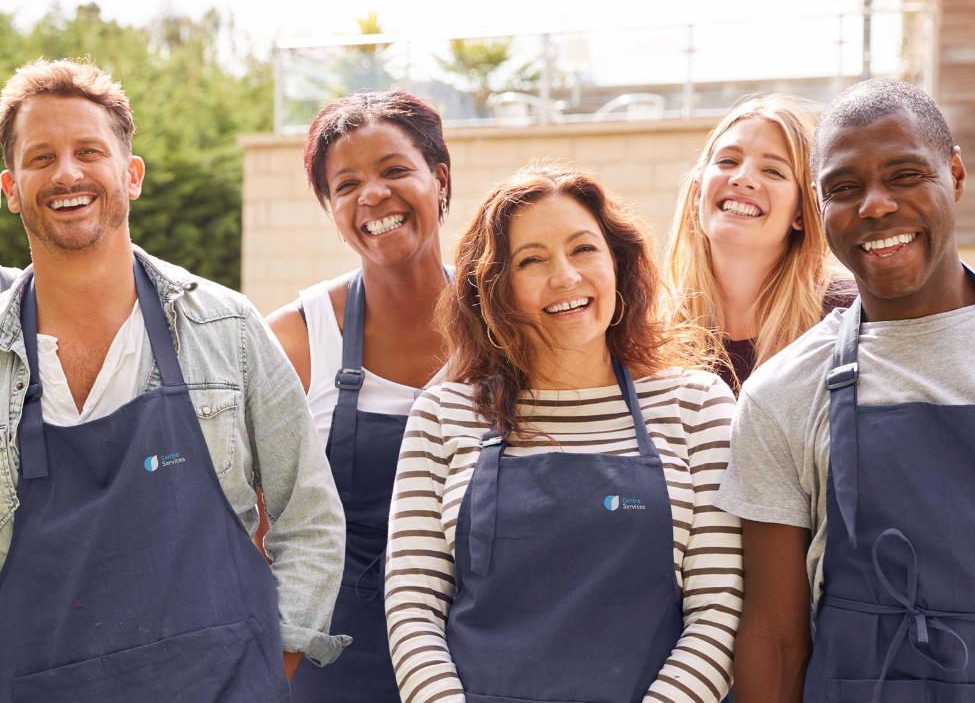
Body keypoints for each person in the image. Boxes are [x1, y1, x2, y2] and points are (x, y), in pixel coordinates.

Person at [0, 58, 348, 702]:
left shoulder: (227, 328)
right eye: (40, 157)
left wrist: (277, 664)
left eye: (88, 151)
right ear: (11, 187)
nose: (68, 173)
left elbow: (310, 513)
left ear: (130, 176)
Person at [386, 162, 742, 703]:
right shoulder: (443, 414)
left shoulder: (695, 405)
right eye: (532, 260)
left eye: (584, 249)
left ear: (618, 264)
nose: (566, 277)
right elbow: (413, 608)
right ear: (492, 290)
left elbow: (719, 611)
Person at [717, 78, 975, 702]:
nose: (874, 205)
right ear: (818, 210)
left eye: (904, 175)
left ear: (953, 175)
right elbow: (774, 636)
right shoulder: (783, 392)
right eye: (844, 188)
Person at [267, 91, 453, 703]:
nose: (372, 195)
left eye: (395, 170)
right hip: (335, 670)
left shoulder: (509, 327)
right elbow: (257, 530)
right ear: (331, 208)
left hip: (480, 659)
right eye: (346, 185)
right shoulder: (297, 340)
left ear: (439, 180)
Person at [664, 95, 853, 393]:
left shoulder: (848, 318)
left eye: (773, 171)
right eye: (728, 161)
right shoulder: (649, 330)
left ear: (802, 210)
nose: (742, 178)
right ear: (698, 192)